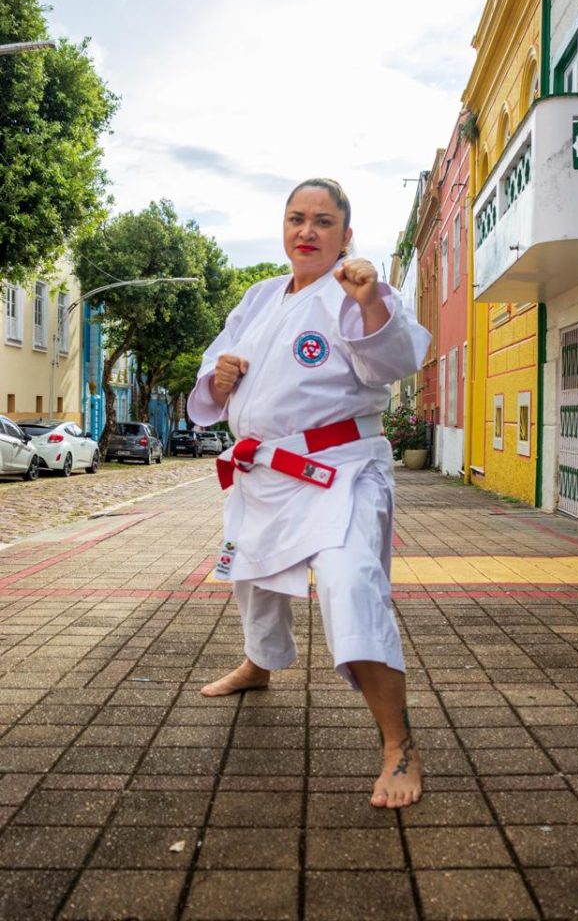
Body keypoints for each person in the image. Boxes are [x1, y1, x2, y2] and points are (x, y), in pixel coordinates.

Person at [188, 178, 430, 807]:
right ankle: (258, 665)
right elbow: (213, 380)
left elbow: (394, 359)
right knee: (252, 575)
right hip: (264, 473)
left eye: (324, 221)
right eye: (297, 219)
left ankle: (398, 744)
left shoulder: (356, 291)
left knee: (350, 584)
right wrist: (218, 380)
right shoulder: (260, 296)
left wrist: (372, 301)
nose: (308, 231)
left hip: (339, 469)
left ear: (346, 234)